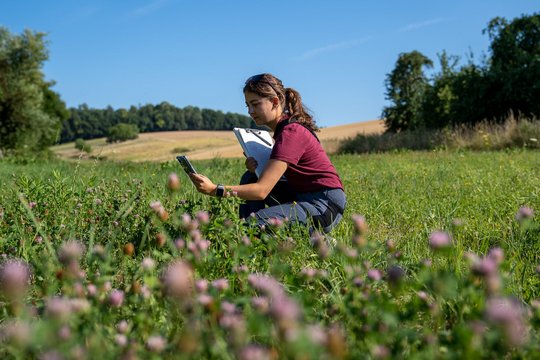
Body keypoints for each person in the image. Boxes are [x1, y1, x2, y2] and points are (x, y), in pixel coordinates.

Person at [190, 73, 346, 234]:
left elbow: (262, 190)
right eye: (247, 105)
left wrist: (215, 189)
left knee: (250, 226)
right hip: (302, 196)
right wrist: (257, 170)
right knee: (250, 177)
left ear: (275, 101)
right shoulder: (282, 131)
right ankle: (250, 230)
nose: (250, 111)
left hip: (323, 205)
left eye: (255, 104)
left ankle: (317, 238)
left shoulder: (291, 133)